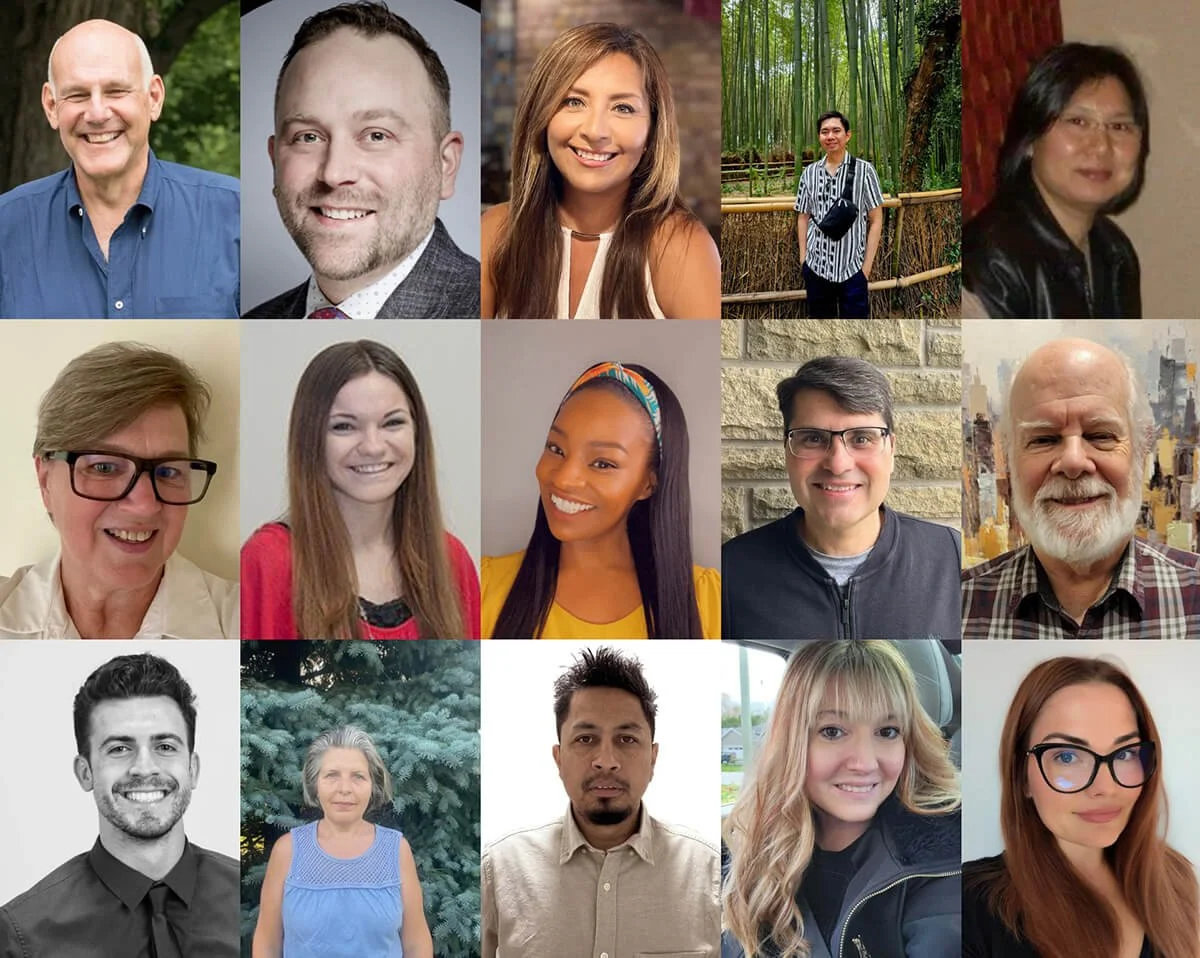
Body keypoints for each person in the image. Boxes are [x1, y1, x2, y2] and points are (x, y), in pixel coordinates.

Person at [723, 641, 961, 958]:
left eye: (888, 731)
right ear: (792, 742)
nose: (864, 763)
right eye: (833, 731)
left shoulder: (945, 862)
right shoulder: (752, 847)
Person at [245, 1, 479, 320]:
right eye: (308, 137)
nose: (334, 172)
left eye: (376, 135)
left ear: (446, 164)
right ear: (275, 162)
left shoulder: (501, 310)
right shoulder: (255, 321)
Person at [482, 646, 719, 957]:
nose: (606, 761)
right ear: (558, 758)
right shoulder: (499, 871)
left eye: (627, 739)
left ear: (653, 757)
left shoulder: (710, 875)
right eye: (585, 739)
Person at [0, 653, 238, 955]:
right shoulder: (22, 936)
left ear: (192, 769)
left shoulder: (250, 901)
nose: (144, 767)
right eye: (119, 748)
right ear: (85, 773)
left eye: (164, 747)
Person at [962, 338, 1200, 639]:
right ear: (1009, 459)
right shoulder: (960, 603)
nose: (1073, 462)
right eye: (1044, 439)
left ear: (1141, 450)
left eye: (1100, 435)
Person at [0, 19, 239, 319]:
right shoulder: (6, 228)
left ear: (154, 98)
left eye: (116, 91)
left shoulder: (234, 215)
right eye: (77, 95)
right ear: (51, 106)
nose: (98, 113)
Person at [241, 340, 479, 639]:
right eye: (344, 427)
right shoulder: (268, 562)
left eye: (392, 423)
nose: (373, 447)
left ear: (417, 432)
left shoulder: (451, 559)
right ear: (310, 438)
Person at [963, 656, 1199, 957]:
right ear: (1022, 777)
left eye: (1125, 753)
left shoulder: (1175, 878)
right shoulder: (970, 906)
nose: (1105, 788)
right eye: (1067, 757)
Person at [481, 22, 720, 319]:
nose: (595, 131)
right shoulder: (495, 233)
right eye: (573, 101)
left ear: (652, 132)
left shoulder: (681, 248)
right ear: (541, 116)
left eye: (623, 108)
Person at [0, 342, 238, 639]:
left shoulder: (246, 620)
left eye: (168, 471)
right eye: (104, 468)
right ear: (46, 480)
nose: (145, 505)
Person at [722, 356, 961, 639]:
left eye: (861, 438)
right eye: (813, 438)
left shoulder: (952, 559)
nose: (838, 464)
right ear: (787, 451)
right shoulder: (731, 571)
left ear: (891, 450)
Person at [481, 361, 719, 638]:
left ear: (648, 484)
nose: (563, 479)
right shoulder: (482, 585)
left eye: (603, 464)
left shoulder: (710, 600)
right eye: (556, 448)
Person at [962, 43, 1148, 319]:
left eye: (1119, 126)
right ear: (1030, 140)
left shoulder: (1115, 251)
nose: (1100, 146)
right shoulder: (988, 262)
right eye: (1077, 121)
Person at [253, 725, 433, 958]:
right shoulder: (287, 851)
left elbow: (416, 944)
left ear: (373, 785)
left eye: (358, 777)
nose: (345, 789)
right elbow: (267, 944)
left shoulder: (397, 850)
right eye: (332, 776)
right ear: (315, 784)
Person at [794, 111, 884, 319]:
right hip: (817, 268)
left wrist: (866, 269)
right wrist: (804, 259)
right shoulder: (809, 173)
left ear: (847, 135)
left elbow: (876, 218)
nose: (830, 136)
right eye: (824, 132)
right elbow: (803, 216)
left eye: (836, 130)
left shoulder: (865, 171)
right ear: (819, 137)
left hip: (853, 270)